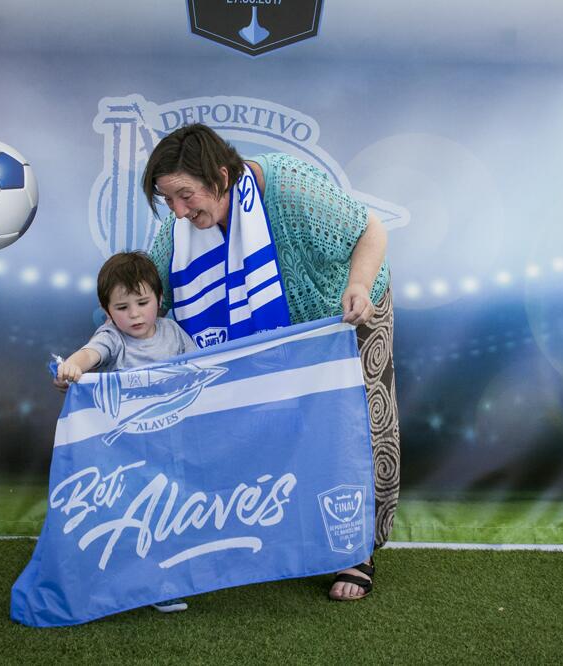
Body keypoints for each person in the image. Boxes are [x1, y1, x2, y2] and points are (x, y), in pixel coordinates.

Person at [142, 123, 399, 602]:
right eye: (168, 199)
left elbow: (372, 231)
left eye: (184, 195)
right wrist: (104, 348)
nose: (178, 211)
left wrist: (360, 287)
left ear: (219, 176)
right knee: (279, 430)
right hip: (272, 337)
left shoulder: (291, 188)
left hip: (345, 312)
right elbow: (149, 288)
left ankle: (357, 548)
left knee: (358, 426)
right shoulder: (182, 225)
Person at [52, 250, 195, 613]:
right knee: (126, 515)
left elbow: (201, 367)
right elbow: (91, 353)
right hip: (126, 455)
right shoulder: (112, 337)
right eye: (122, 307)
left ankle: (165, 583)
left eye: (142, 303)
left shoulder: (173, 333)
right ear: (107, 313)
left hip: (171, 447)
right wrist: (74, 367)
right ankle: (116, 576)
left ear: (159, 301)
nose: (133, 314)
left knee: (168, 514)